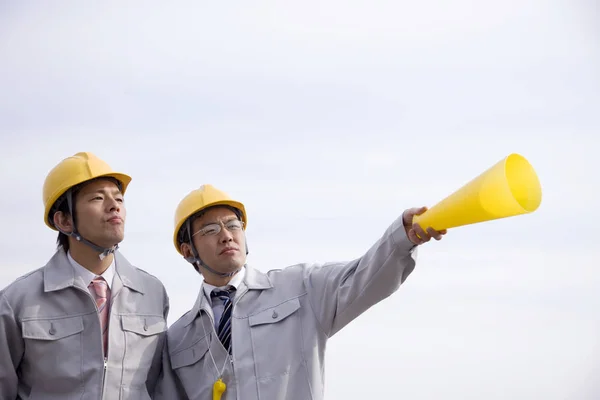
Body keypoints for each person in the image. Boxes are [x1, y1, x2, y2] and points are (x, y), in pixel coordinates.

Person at [155, 184, 446, 400]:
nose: (227, 235)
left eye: (233, 224)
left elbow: (364, 277)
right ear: (187, 250)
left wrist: (401, 238)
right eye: (209, 230)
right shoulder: (178, 338)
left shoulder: (301, 288)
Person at [0, 152, 170, 399]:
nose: (114, 206)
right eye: (98, 198)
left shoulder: (153, 293)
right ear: (65, 221)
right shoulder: (17, 301)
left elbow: (157, 386)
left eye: (119, 198)